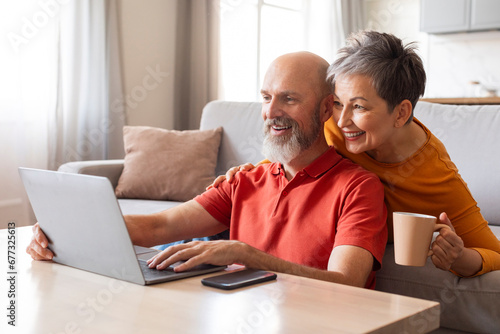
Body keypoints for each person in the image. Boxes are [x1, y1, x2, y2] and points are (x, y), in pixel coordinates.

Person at [26, 52, 388, 289]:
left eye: (289, 99)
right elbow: (161, 226)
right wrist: (66, 229)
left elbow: (347, 283)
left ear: (327, 108)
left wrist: (243, 254)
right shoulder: (245, 180)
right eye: (265, 97)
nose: (270, 111)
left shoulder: (358, 187)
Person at [214, 31, 500, 278]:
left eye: (360, 107)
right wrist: (251, 171)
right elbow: (294, 155)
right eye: (338, 103)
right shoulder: (334, 127)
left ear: (401, 113)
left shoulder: (436, 176)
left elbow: (493, 252)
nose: (341, 121)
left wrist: (460, 258)